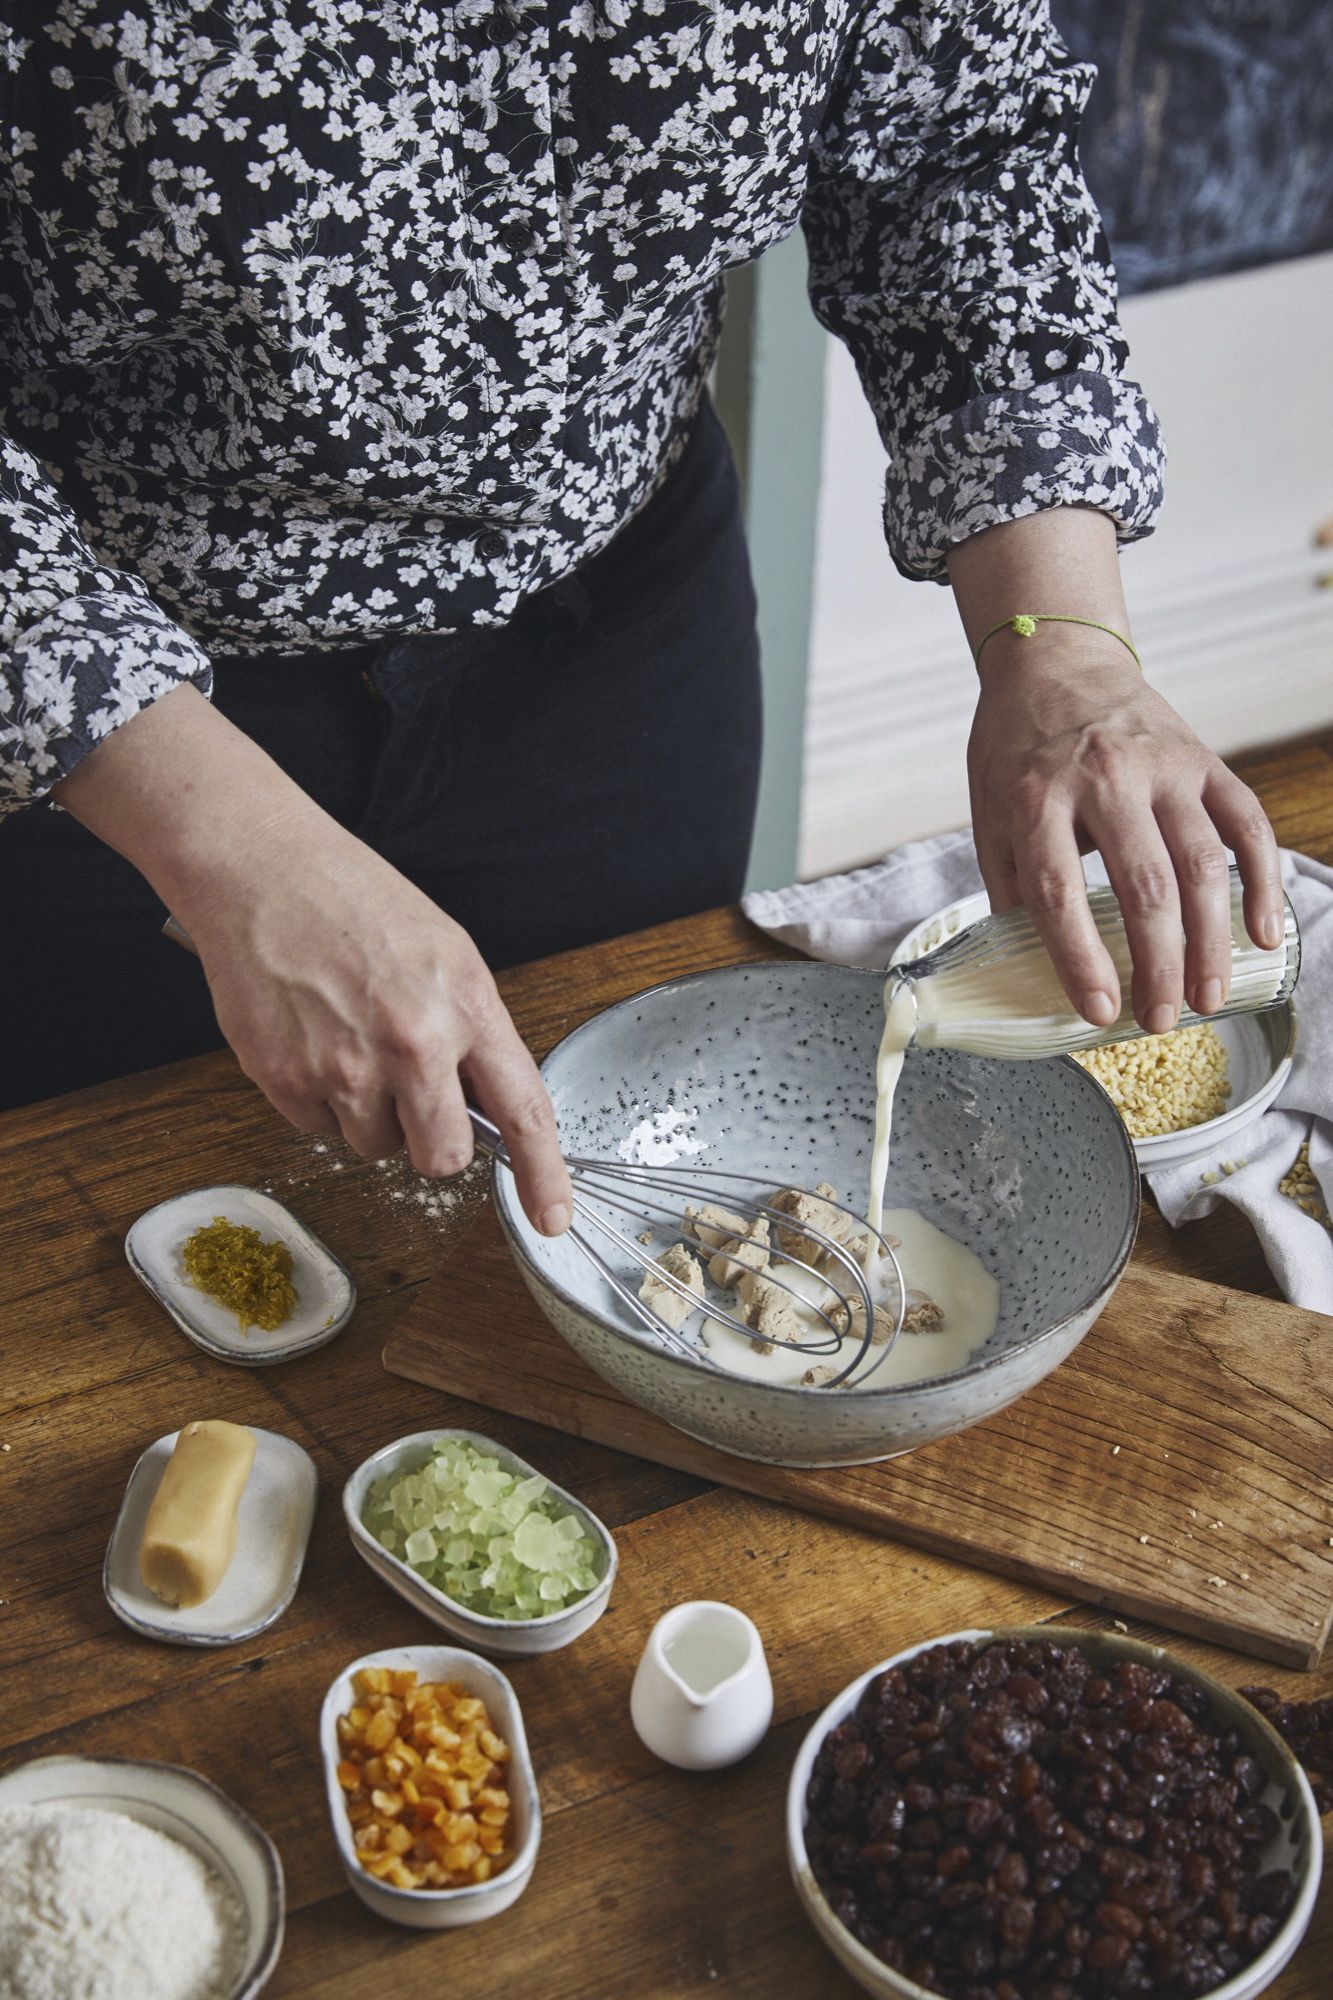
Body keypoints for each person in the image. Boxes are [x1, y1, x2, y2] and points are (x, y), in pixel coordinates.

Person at [0, 1, 1283, 1235]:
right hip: (100, 722)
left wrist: (1059, 648)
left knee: (622, 1181)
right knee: (92, 1238)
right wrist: (232, 848)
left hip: (615, 648)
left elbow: (959, 152)